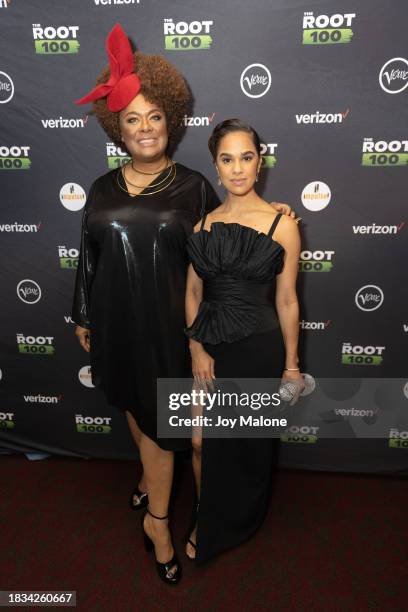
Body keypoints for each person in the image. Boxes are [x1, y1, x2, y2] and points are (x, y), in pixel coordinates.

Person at [72, 24, 295, 585]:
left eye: (155, 116)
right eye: (132, 119)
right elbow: (87, 256)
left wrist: (282, 218)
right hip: (115, 321)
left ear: (170, 120)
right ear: (116, 128)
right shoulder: (100, 188)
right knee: (128, 399)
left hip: (172, 328)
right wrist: (81, 314)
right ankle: (149, 484)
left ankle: (159, 522)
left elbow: (233, 233)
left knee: (169, 429)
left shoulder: (197, 185)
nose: (145, 128)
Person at [184, 118, 303, 564]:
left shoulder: (282, 225)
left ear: (260, 163)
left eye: (246, 157)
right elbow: (192, 293)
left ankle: (237, 517)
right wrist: (197, 347)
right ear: (216, 168)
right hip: (210, 344)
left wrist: (291, 365)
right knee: (199, 440)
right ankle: (206, 511)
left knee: (248, 443)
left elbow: (288, 300)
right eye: (227, 159)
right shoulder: (203, 226)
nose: (237, 169)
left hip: (258, 346)